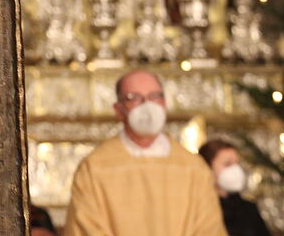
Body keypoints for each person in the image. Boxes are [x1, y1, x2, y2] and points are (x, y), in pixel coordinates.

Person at [65, 69, 226, 236]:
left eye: (155, 96)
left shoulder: (193, 167)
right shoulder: (94, 168)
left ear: (164, 104)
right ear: (118, 110)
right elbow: (85, 228)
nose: (147, 105)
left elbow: (209, 229)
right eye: (134, 98)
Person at [198, 139, 271, 236]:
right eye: (227, 164)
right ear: (207, 168)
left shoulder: (248, 209)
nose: (235, 169)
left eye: (237, 163)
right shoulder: (199, 210)